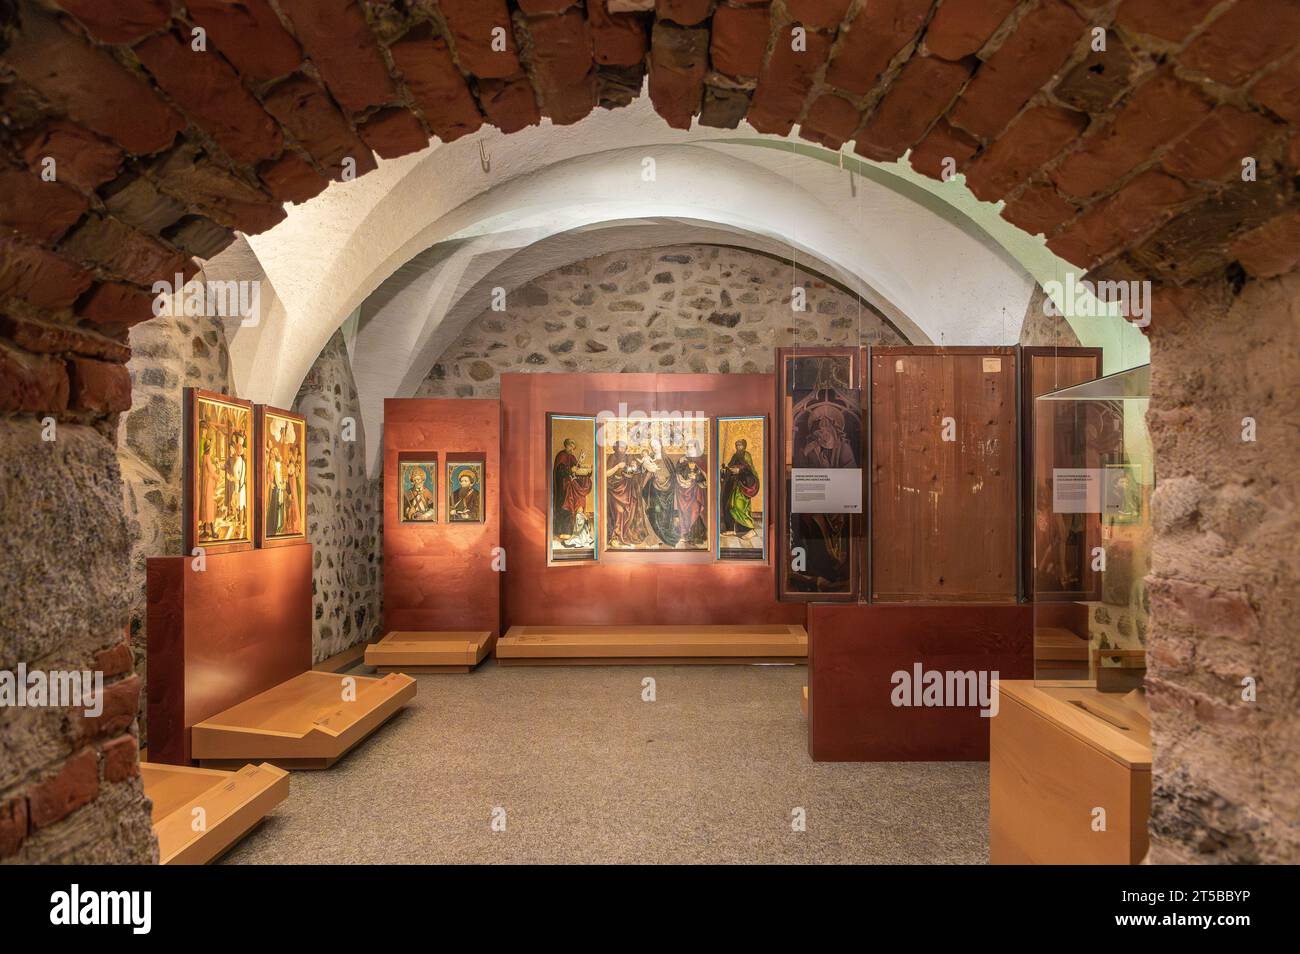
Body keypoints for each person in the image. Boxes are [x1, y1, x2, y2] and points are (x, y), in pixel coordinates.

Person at [604, 439, 647, 547]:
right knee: (619, 511)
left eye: (624, 448)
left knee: (630, 509)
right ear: (616, 448)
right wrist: (617, 467)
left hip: (627, 489)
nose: (622, 450)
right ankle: (615, 536)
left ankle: (626, 533)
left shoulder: (628, 457)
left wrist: (634, 466)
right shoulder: (612, 457)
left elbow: (632, 471)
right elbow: (606, 474)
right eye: (620, 447)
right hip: (615, 489)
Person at [553, 438, 592, 540]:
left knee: (573, 507)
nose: (572, 449)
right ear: (566, 445)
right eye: (570, 447)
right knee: (565, 507)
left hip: (571, 485)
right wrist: (570, 470)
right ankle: (563, 531)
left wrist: (580, 465)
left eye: (573, 448)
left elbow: (576, 467)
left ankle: (572, 530)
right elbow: (559, 472)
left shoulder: (572, 456)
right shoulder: (561, 456)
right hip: (563, 487)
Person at [720, 438, 759, 540]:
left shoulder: (747, 455)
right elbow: (730, 466)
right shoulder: (735, 455)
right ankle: (733, 529)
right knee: (731, 505)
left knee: (740, 507)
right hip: (734, 485)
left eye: (740, 445)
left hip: (744, 485)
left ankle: (750, 530)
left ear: (744, 446)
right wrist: (725, 469)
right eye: (737, 446)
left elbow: (749, 469)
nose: (739, 447)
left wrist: (740, 470)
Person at [674, 455, 708, 547]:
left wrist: (696, 477)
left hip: (696, 493)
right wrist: (686, 479)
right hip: (684, 492)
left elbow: (705, 479)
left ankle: (696, 536)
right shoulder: (682, 462)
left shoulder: (700, 462)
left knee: (695, 511)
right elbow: (678, 475)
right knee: (686, 513)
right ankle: (687, 534)